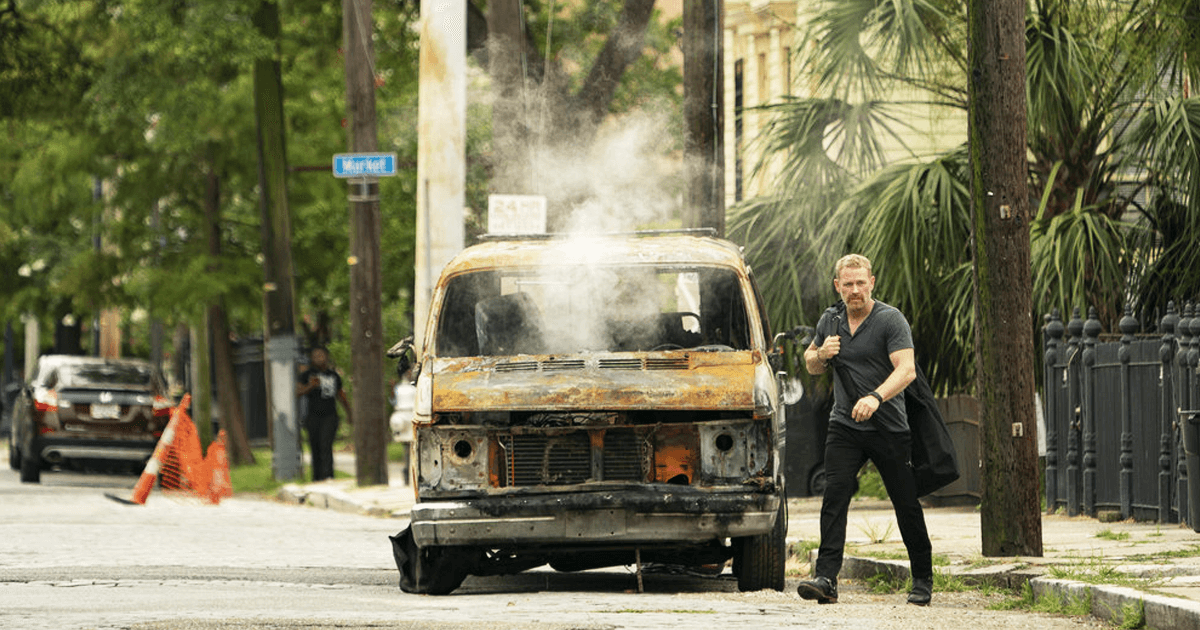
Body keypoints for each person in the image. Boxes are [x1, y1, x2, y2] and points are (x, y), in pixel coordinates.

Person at [796, 254, 933, 606]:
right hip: (844, 425)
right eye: (848, 284)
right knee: (835, 496)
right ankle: (826, 578)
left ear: (872, 282)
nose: (854, 290)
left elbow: (906, 371)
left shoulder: (890, 320)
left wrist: (876, 396)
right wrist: (822, 353)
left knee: (905, 502)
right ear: (837, 286)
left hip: (888, 426)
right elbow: (811, 364)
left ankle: (922, 578)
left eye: (860, 283)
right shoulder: (831, 319)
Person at [296, 347, 352, 482]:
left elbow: (341, 395)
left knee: (326, 444)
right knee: (315, 445)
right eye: (315, 355)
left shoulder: (334, 375)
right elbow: (297, 392)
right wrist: (310, 386)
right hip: (312, 415)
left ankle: (328, 475)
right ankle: (317, 477)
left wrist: (349, 412)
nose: (319, 358)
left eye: (321, 355)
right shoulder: (307, 375)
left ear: (327, 357)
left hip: (330, 415)